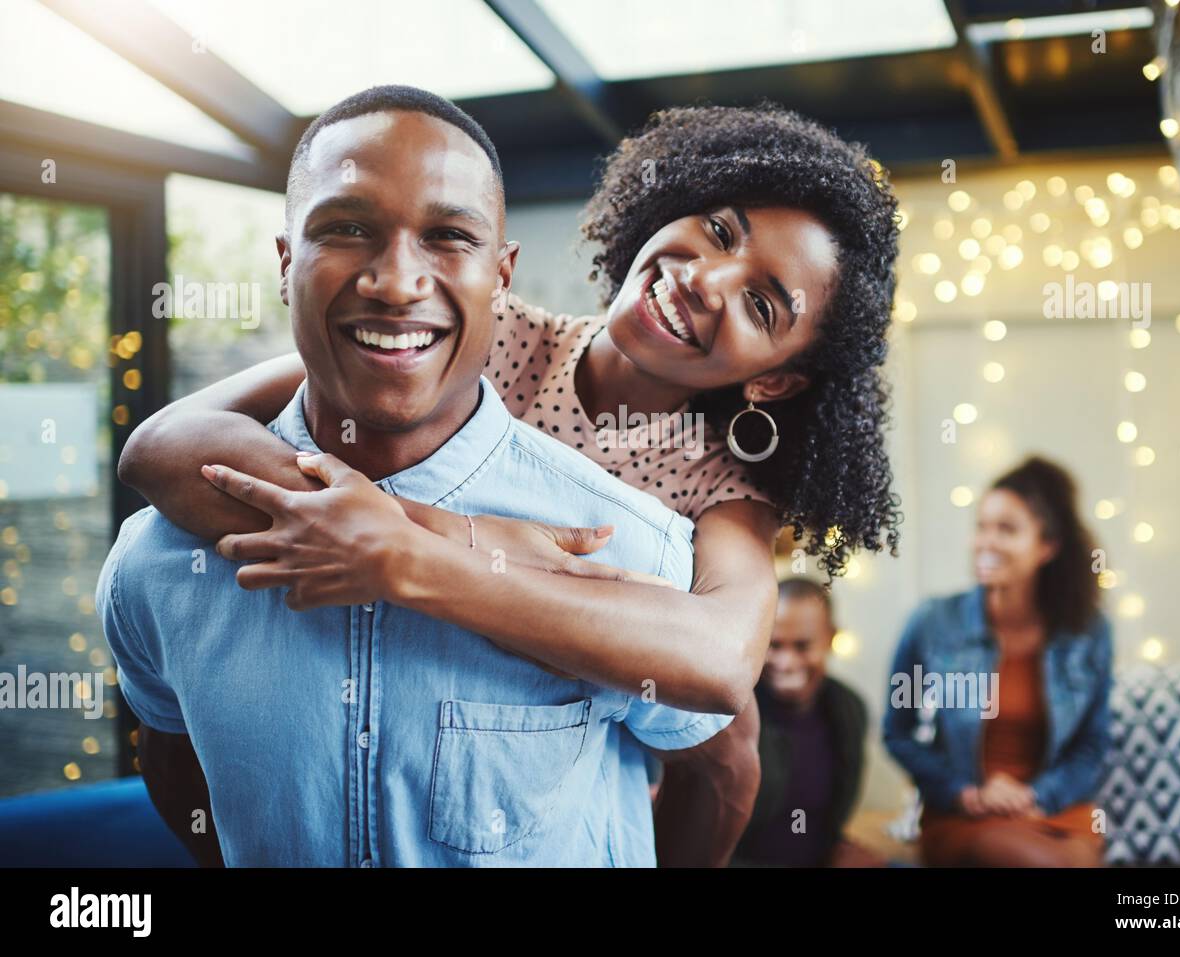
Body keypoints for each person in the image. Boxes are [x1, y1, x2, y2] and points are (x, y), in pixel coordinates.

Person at [96, 87, 757, 867]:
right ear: (285, 263)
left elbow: (720, 774)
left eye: (447, 235)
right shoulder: (158, 564)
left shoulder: (632, 555)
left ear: (500, 276)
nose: (395, 280)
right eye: (346, 229)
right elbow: (177, 769)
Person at [116, 99, 904, 724]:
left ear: (776, 382)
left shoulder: (723, 484)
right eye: (718, 230)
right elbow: (164, 445)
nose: (706, 278)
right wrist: (469, 540)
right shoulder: (486, 332)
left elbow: (723, 665)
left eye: (762, 304)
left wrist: (414, 552)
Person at [883, 456, 1113, 867]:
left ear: (1047, 546)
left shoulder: (1088, 633)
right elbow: (897, 732)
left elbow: (1092, 745)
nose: (985, 542)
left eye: (1006, 529)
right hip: (964, 813)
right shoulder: (934, 623)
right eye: (981, 526)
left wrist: (1036, 796)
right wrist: (965, 791)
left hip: (1051, 810)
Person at [732, 578, 877, 867]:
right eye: (774, 645)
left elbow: (832, 819)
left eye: (802, 646)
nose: (786, 662)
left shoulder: (849, 709)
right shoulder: (732, 711)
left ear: (831, 637)